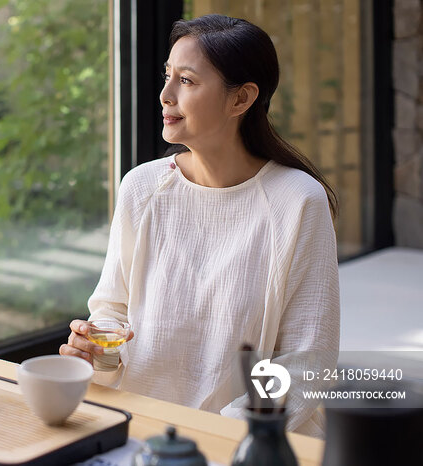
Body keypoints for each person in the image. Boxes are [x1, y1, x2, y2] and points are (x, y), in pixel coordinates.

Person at [59, 14, 340, 438]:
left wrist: (212, 437)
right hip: (144, 434)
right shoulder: (143, 187)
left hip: (247, 444)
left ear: (240, 99)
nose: (165, 95)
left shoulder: (297, 201)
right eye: (167, 76)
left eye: (187, 81)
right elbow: (112, 311)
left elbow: (305, 364)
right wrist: (96, 353)